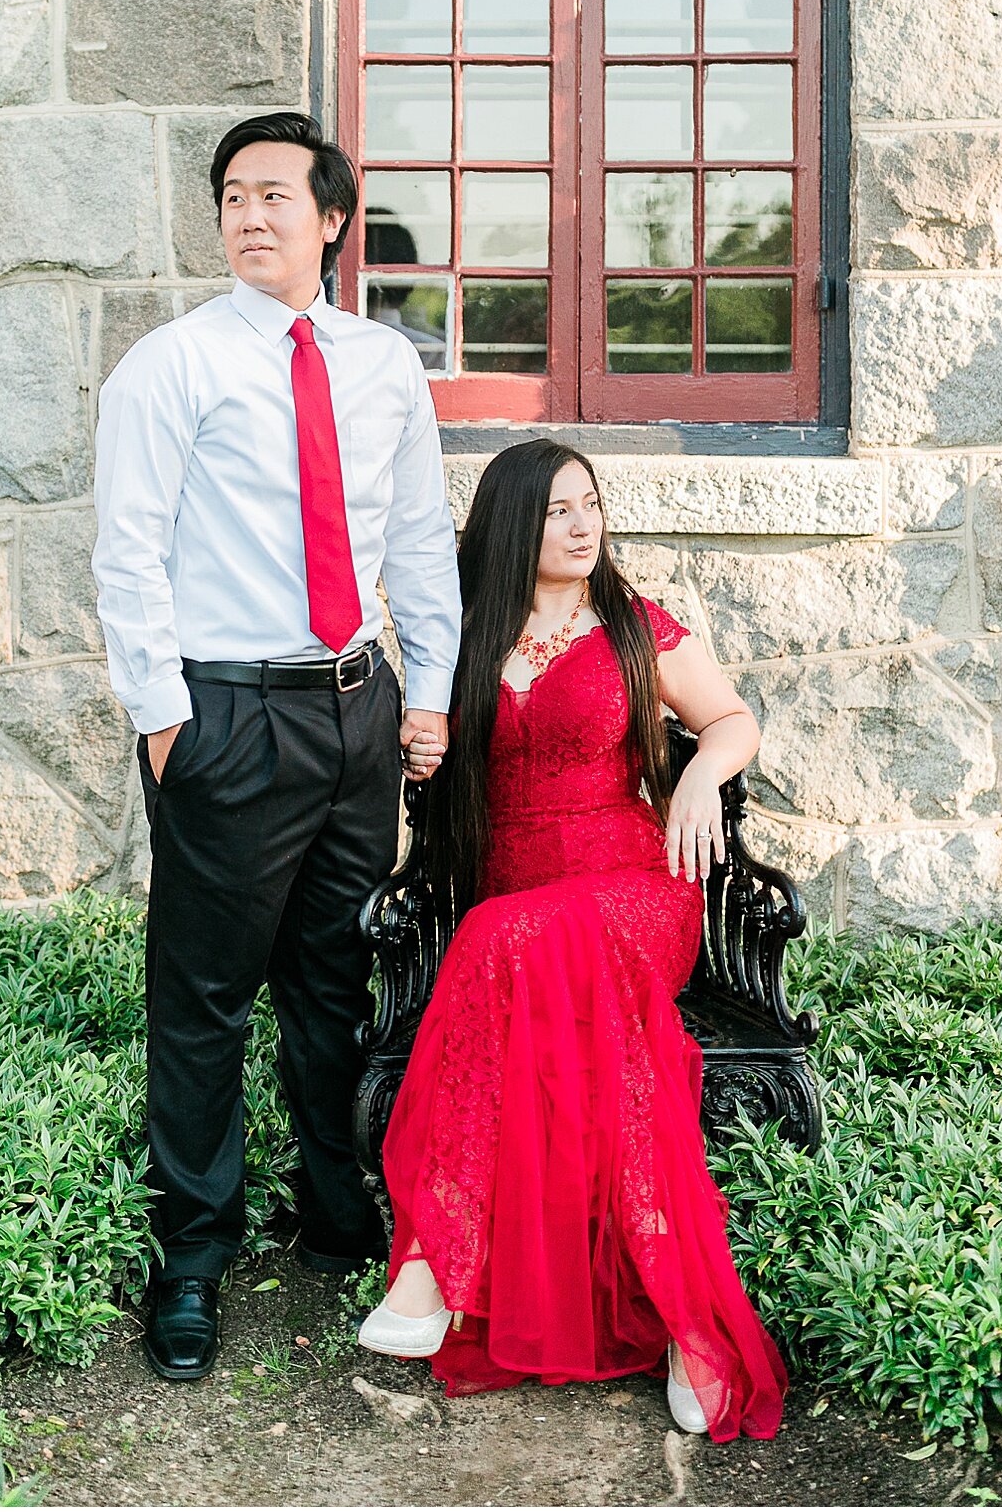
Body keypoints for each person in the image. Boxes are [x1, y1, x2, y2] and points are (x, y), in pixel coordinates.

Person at [93, 111, 461, 1383]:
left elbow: (417, 538)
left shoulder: (382, 367)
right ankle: (189, 1254)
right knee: (201, 996)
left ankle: (334, 1208)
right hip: (228, 714)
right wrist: (161, 716)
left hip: (358, 709)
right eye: (232, 197)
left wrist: (432, 691)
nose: (251, 216)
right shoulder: (170, 366)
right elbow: (127, 551)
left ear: (332, 219)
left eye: (275, 196)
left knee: (332, 972)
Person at [357, 439, 788, 1442]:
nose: (583, 524)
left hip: (635, 893)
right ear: (515, 524)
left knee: (496, 942)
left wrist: (693, 776)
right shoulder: (461, 633)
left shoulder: (634, 624)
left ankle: (427, 1269)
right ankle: (687, 1327)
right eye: (558, 510)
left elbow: (730, 719)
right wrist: (425, 742)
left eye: (590, 503)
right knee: (545, 980)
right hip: (520, 902)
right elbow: (426, 748)